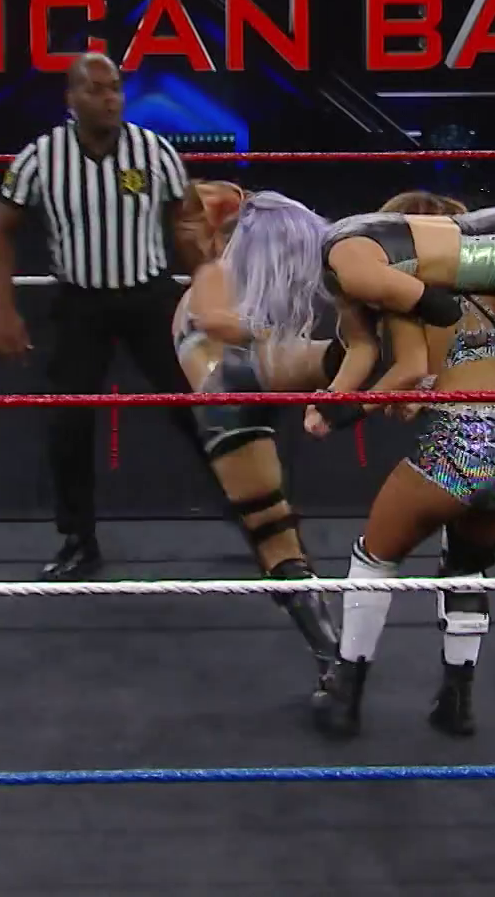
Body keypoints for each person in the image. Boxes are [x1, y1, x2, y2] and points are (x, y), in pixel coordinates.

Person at [0, 52, 211, 581]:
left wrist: (206, 292)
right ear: (71, 98)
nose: (110, 99)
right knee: (68, 423)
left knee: (200, 409)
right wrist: (3, 309)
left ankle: (258, 519)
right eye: (97, 89)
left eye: (115, 88)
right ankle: (78, 539)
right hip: (80, 303)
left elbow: (186, 223)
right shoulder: (41, 158)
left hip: (149, 298)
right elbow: (2, 230)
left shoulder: (155, 151)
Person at [311, 288, 495, 739]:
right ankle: (457, 702)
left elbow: (410, 365)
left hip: (457, 442)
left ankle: (344, 699)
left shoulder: (409, 283)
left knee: (375, 557)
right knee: (467, 566)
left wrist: (343, 412)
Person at [172, 184, 343, 668]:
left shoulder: (241, 272)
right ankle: (334, 661)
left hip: (222, 397)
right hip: (230, 383)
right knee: (272, 532)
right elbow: (221, 324)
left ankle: (333, 662)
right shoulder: (220, 278)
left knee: (273, 534)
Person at [315, 201, 495, 421]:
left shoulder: (363, 273)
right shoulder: (344, 265)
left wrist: (361, 407)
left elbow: (440, 318)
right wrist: (330, 401)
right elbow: (362, 346)